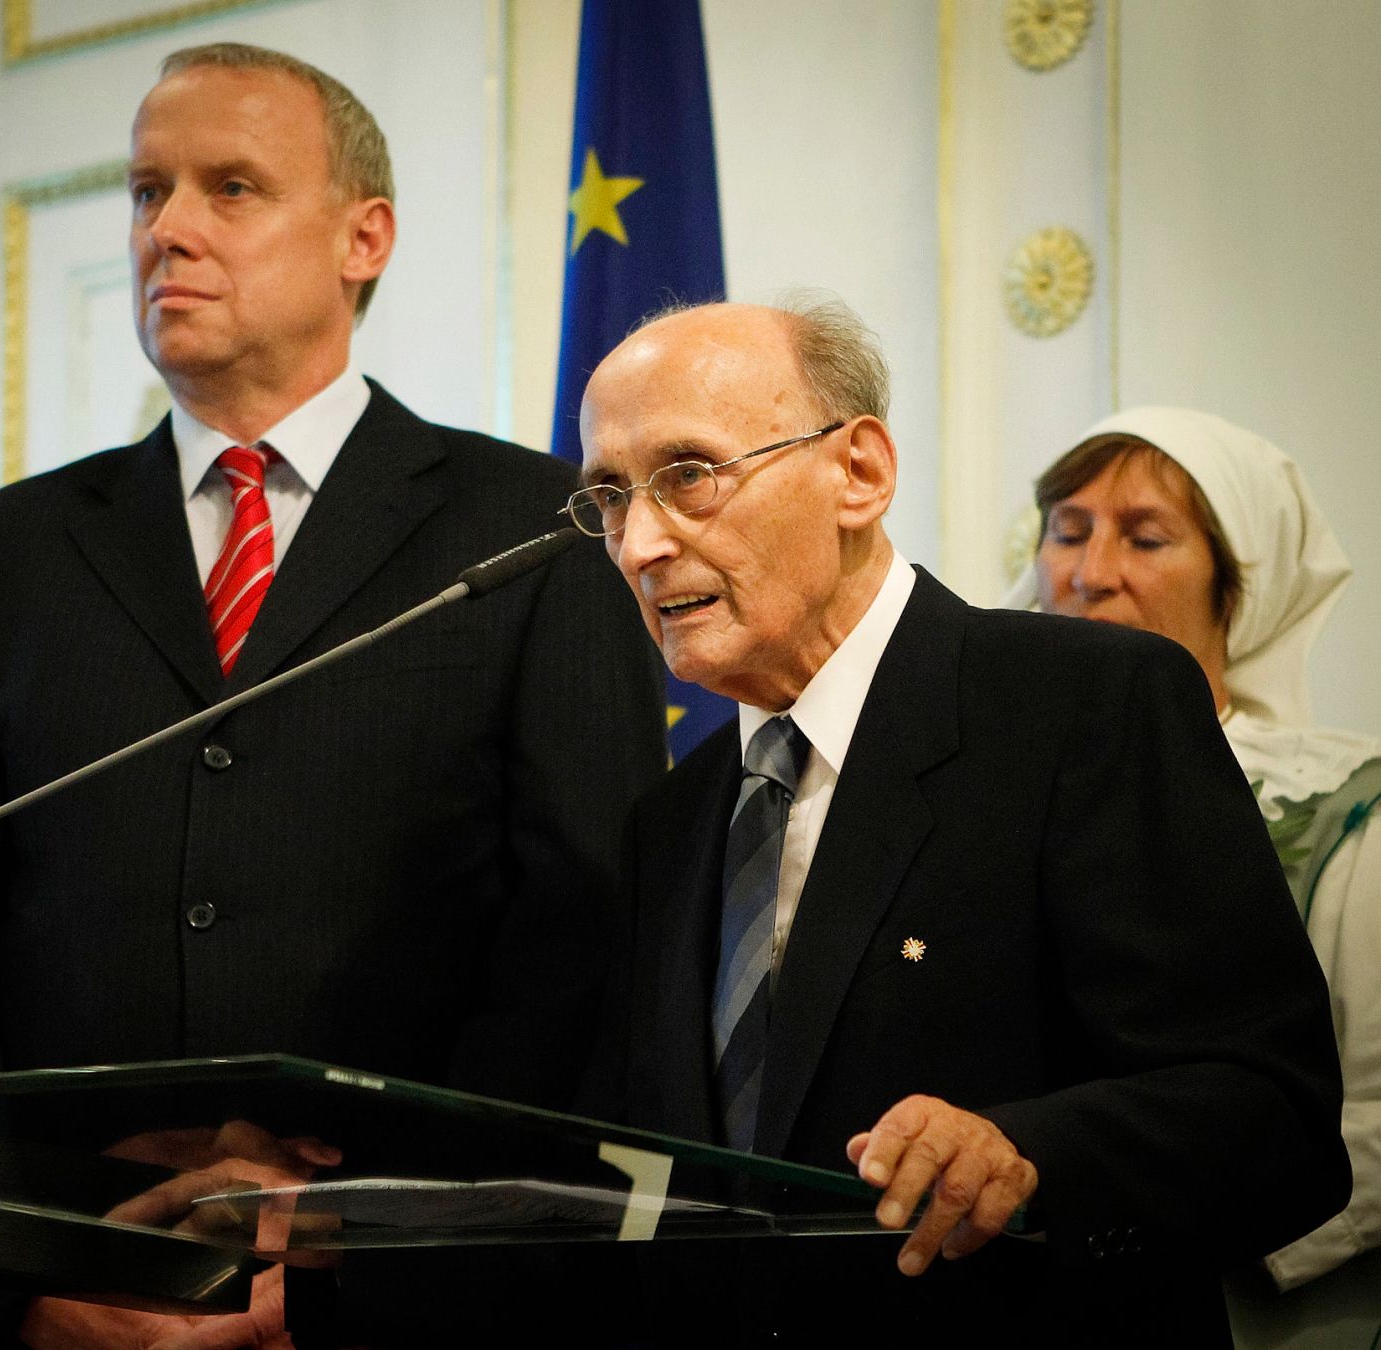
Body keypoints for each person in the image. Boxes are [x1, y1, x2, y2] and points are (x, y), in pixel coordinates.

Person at [0, 42, 664, 1348]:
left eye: (229, 187)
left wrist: (380, 1255)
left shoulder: (535, 530)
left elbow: (588, 944)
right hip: (80, 1291)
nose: (166, 228)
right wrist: (13, 1292)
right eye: (144, 191)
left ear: (364, 235)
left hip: (403, 1302)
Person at [573, 298, 1349, 1343]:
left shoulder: (1084, 706)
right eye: (610, 498)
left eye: (688, 476)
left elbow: (1276, 1122)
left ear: (858, 472)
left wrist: (1028, 1155)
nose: (640, 543)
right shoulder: (670, 820)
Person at [1014, 407, 1381, 1338]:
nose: (1092, 575)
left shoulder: (1351, 812)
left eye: (1147, 538)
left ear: (1237, 587)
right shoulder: (990, 791)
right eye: (1068, 530)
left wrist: (1180, 1215)